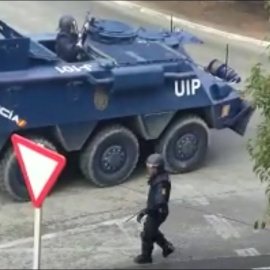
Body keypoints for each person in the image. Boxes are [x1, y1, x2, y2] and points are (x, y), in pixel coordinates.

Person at [134, 153, 175, 264]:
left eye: (152, 168)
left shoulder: (162, 183)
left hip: (157, 213)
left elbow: (160, 201)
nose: (149, 170)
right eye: (148, 167)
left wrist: (146, 211)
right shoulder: (157, 177)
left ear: (158, 168)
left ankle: (146, 257)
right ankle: (167, 247)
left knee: (147, 236)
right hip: (154, 210)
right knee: (152, 231)